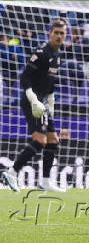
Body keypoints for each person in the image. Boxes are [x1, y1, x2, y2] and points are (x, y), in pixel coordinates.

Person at [1, 18, 68, 193]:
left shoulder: (58, 55)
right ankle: (11, 172)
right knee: (40, 140)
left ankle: (45, 181)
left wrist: (51, 101)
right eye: (56, 33)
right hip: (32, 102)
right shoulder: (41, 52)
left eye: (62, 33)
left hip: (44, 103)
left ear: (65, 35)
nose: (59, 36)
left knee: (53, 140)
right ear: (50, 33)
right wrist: (33, 98)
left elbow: (51, 81)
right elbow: (24, 77)